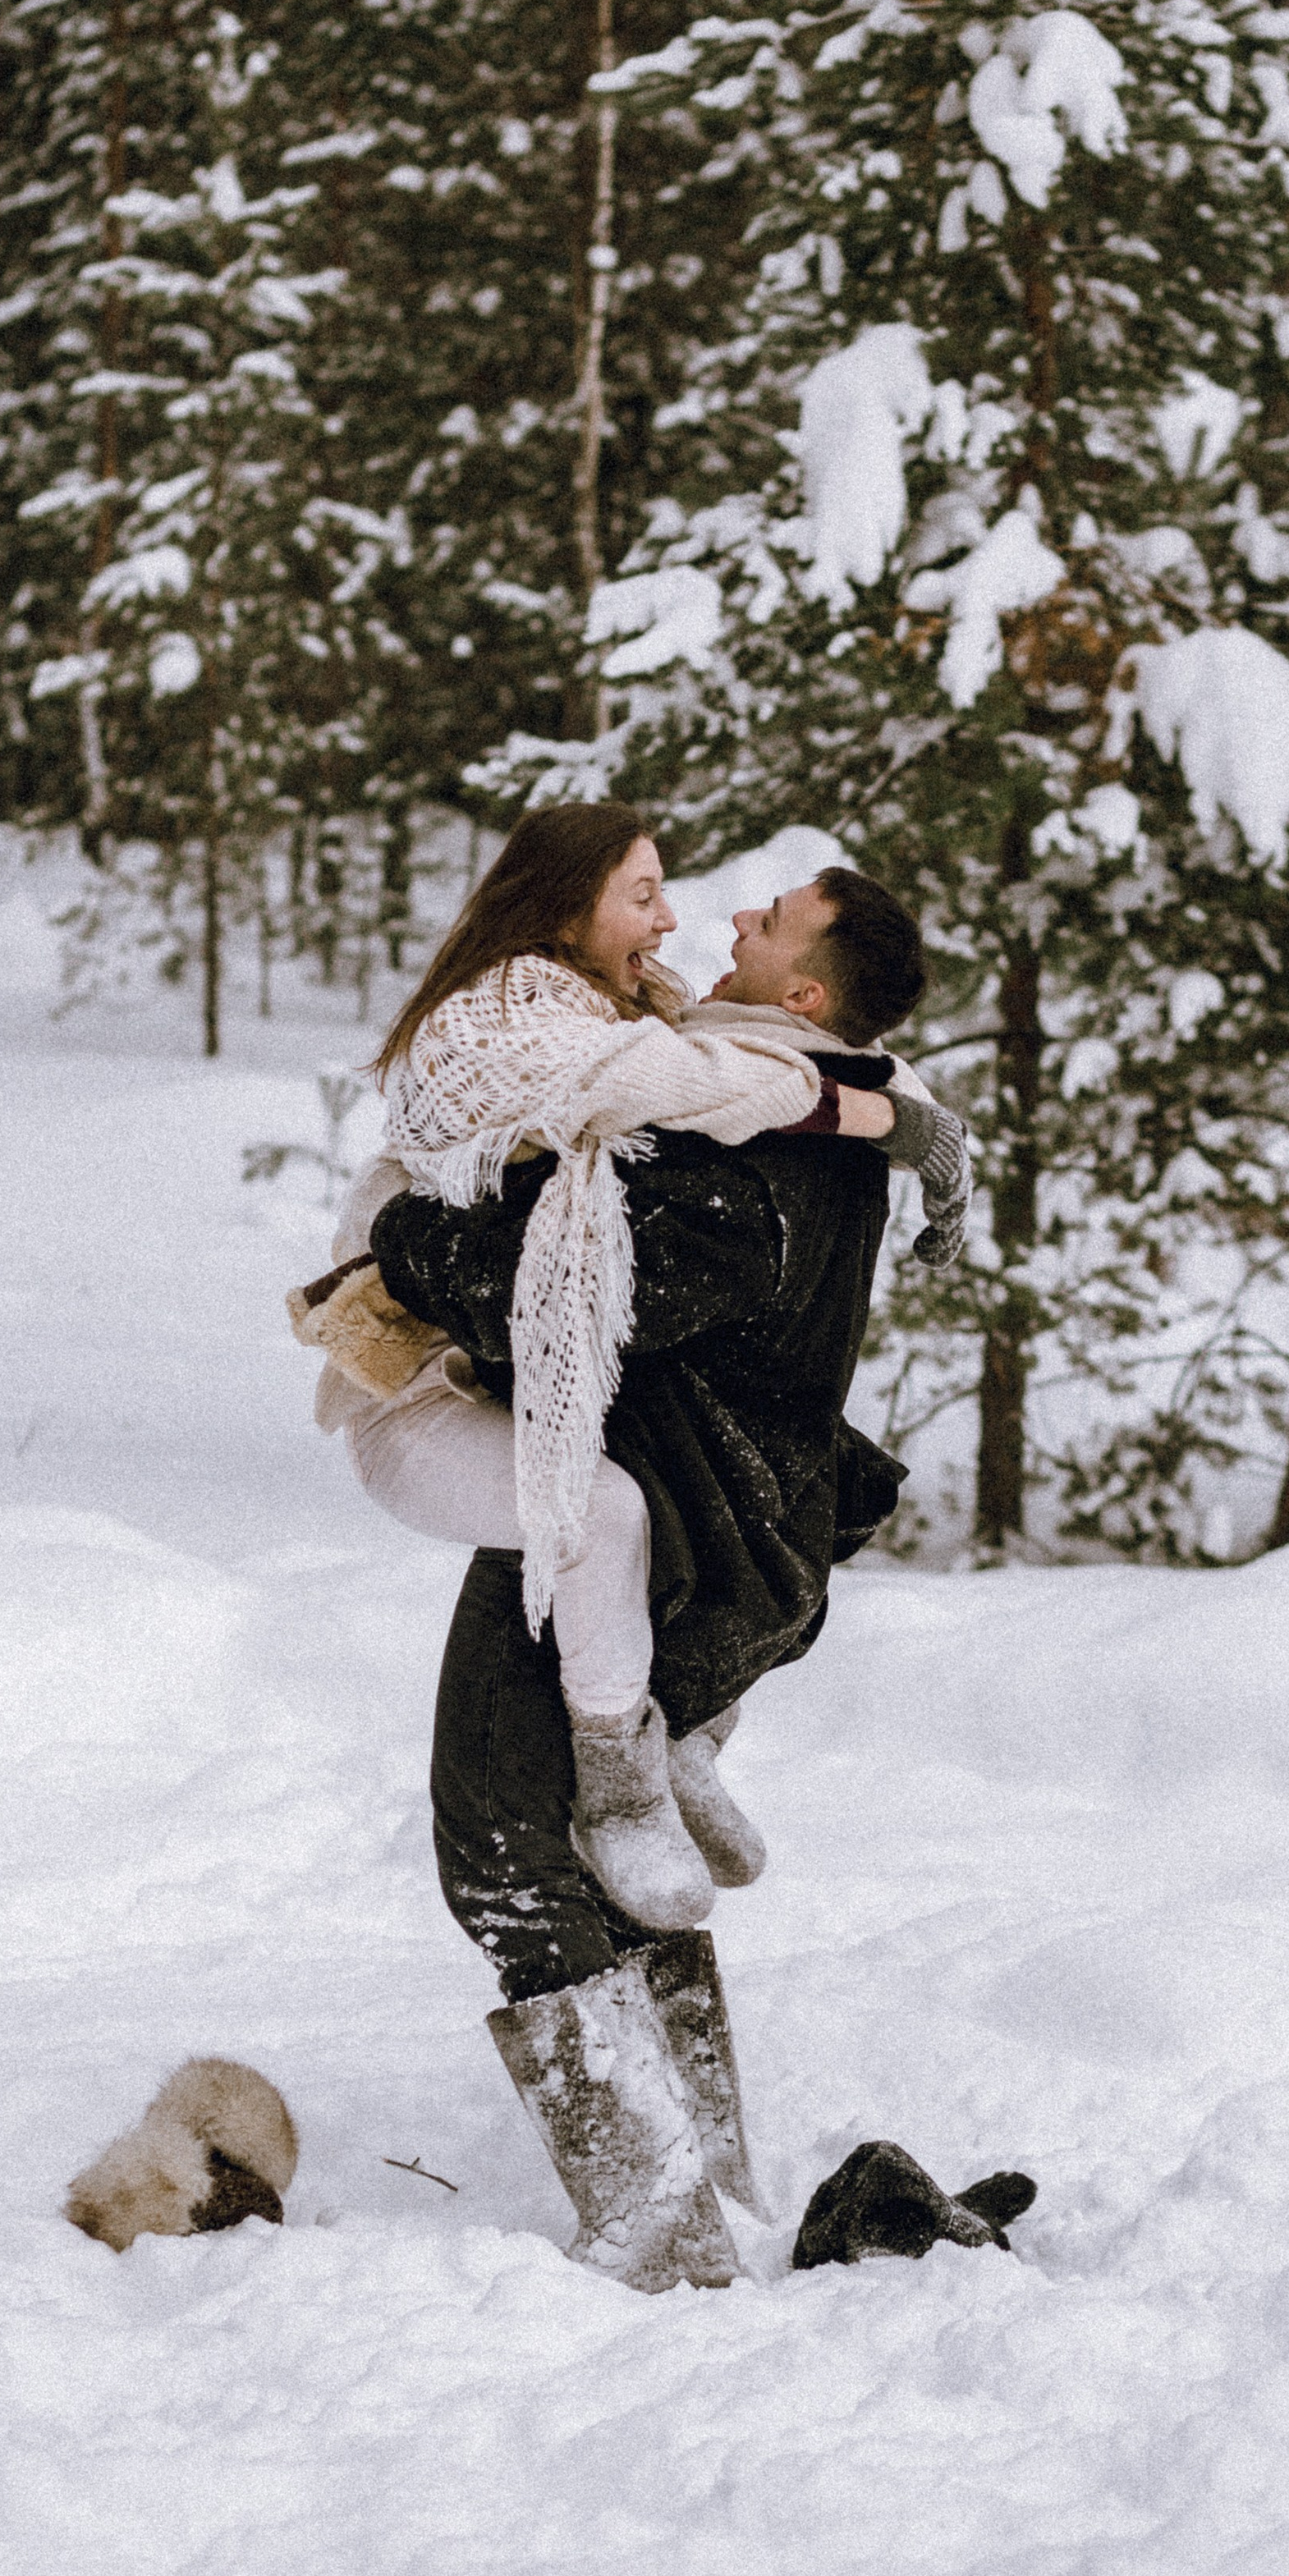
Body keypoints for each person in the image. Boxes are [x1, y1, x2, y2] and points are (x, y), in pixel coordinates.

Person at [365, 861, 965, 2291]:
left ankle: (663, 2227)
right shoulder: (801, 1102)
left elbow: (569, 1296)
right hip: (720, 1545)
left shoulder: (757, 1167)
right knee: (600, 1863)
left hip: (656, 1531)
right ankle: (708, 2186)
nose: (732, 921)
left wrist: (404, 1239)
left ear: (805, 995)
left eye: (772, 922)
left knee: (509, 1849)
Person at [294, 807, 967, 1937]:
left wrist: (893, 1112)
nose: (697, 916)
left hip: (501, 1376)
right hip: (417, 1369)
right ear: (567, 910)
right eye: (643, 893)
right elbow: (730, 1083)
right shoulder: (526, 1014)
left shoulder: (645, 1009)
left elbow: (751, 1066)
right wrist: (893, 1119)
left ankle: (675, 1744)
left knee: (754, 1499)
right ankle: (623, 1781)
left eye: (770, 917)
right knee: (605, 1514)